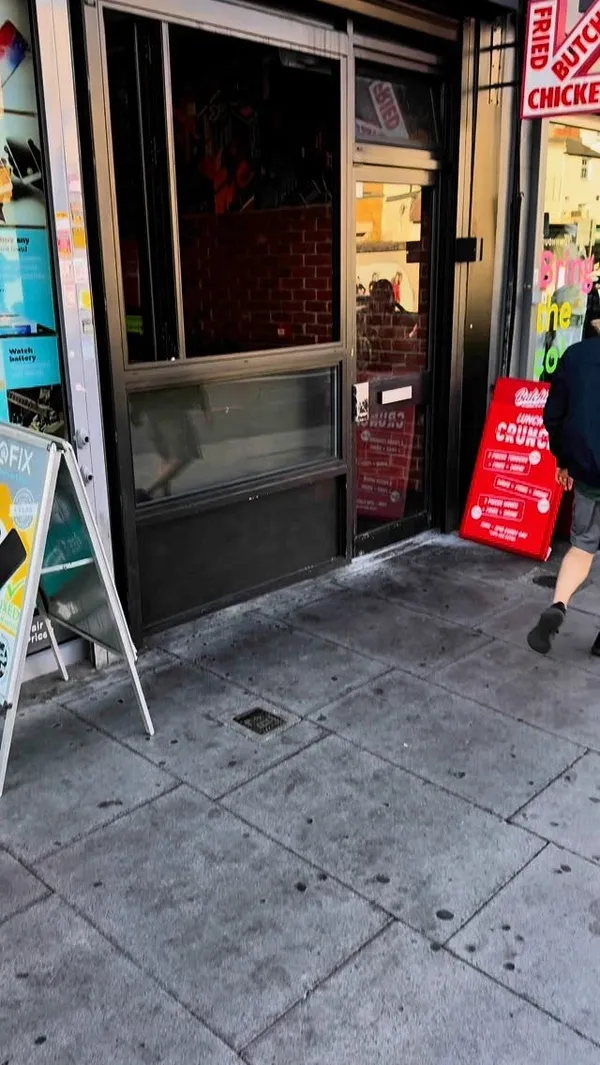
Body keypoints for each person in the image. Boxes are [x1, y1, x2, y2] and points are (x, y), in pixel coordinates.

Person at [527, 336, 600, 655]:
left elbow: (553, 417)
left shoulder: (576, 356)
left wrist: (564, 461)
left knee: (583, 546)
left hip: (588, 472)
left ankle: (558, 604)